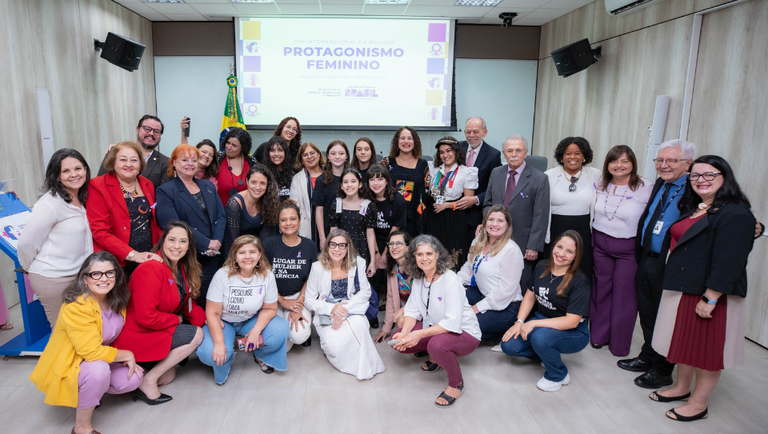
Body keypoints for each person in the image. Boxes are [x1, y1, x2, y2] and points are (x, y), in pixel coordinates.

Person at [650, 156, 756, 422]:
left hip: (709, 294)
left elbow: (729, 262)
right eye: (695, 176)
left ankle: (698, 404)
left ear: (724, 177)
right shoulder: (698, 207)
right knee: (685, 345)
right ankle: (681, 388)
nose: (701, 180)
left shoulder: (735, 213)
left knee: (707, 351)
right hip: (687, 287)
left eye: (709, 175)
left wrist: (711, 298)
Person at [29, 252, 143, 434]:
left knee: (133, 378)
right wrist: (127, 355)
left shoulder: (115, 300)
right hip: (72, 364)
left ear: (117, 275)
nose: (103, 279)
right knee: (98, 370)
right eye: (96, 274)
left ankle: (91, 394)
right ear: (85, 279)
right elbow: (91, 353)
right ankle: (81, 427)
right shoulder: (77, 307)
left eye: (109, 273)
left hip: (96, 359)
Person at [617, 140, 695, 389]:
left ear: (688, 163)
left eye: (671, 160)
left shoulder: (696, 187)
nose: (663, 165)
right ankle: (649, 356)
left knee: (667, 319)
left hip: (671, 264)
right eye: (659, 160)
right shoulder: (661, 184)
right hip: (647, 258)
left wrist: (756, 227)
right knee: (648, 313)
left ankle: (662, 370)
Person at [112, 221, 205, 405]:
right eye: (172, 240)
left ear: (189, 246)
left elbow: (188, 305)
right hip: (139, 333)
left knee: (168, 376)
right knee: (197, 335)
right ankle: (148, 381)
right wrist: (177, 319)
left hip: (156, 328)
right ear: (163, 241)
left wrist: (212, 318)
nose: (176, 246)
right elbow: (146, 317)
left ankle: (138, 377)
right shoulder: (151, 267)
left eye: (182, 241)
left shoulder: (180, 267)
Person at [391, 235, 481, 408]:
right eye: (419, 254)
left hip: (465, 333)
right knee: (398, 337)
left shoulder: (451, 280)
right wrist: (404, 334)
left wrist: (418, 334)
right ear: (414, 257)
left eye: (429, 253)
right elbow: (412, 311)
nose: (424, 258)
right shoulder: (419, 279)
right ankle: (435, 357)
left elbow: (452, 322)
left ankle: (456, 384)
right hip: (436, 328)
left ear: (438, 254)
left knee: (436, 344)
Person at [500, 230, 591, 392]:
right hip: (543, 321)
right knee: (509, 345)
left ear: (576, 256)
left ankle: (558, 375)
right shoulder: (542, 266)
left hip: (574, 331)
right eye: (559, 247)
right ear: (553, 246)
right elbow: (530, 295)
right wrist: (519, 322)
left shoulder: (579, 281)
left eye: (569, 251)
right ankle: (547, 355)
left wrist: (533, 323)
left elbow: (572, 321)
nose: (562, 254)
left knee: (541, 338)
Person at [196, 235, 290, 382]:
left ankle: (259, 354)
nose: (247, 256)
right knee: (209, 353)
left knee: (280, 330)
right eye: (241, 252)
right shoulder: (222, 275)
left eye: (252, 252)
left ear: (259, 255)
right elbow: (212, 312)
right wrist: (220, 344)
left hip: (250, 319)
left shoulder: (267, 276)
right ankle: (229, 357)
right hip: (224, 322)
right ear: (234, 256)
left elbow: (270, 308)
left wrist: (255, 331)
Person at [590, 145, 654, 356]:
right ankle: (598, 336)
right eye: (614, 161)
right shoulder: (600, 185)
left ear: (633, 164)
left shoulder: (646, 186)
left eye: (625, 161)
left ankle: (619, 344)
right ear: (607, 165)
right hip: (600, 244)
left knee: (625, 295)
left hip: (628, 248)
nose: (619, 165)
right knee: (601, 290)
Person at [18, 149, 94, 326]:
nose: (74, 175)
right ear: (57, 176)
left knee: (80, 330)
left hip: (79, 276)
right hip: (53, 278)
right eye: (65, 171)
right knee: (62, 332)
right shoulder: (49, 204)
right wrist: (34, 269)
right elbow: (26, 243)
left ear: (85, 170)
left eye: (78, 168)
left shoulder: (84, 198)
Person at [304, 229, 386, 380]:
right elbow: (309, 300)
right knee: (334, 347)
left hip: (352, 308)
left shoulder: (358, 263)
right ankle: (340, 356)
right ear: (327, 246)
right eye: (333, 244)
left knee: (360, 325)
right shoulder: (317, 267)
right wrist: (332, 309)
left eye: (342, 245)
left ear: (348, 247)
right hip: (326, 312)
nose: (337, 249)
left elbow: (365, 293)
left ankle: (366, 369)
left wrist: (343, 310)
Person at [156, 144, 226, 307]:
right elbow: (173, 225)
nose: (190, 163)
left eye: (194, 160)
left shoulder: (207, 186)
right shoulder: (166, 190)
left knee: (212, 296)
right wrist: (206, 243)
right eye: (184, 160)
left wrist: (216, 242)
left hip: (212, 255)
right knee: (192, 300)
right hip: (186, 257)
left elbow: (221, 216)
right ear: (174, 162)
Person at [87, 142, 163, 277]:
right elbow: (100, 231)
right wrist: (133, 255)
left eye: (134, 160)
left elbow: (153, 222)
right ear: (113, 162)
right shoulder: (98, 185)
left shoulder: (147, 184)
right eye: (123, 159)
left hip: (147, 258)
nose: (129, 164)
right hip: (116, 261)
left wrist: (157, 252)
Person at [484, 135, 550, 287]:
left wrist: (533, 246)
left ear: (525, 153)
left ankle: (518, 311)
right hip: (495, 238)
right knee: (494, 278)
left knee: (520, 282)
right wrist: (488, 224)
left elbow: (541, 216)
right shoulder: (496, 173)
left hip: (523, 241)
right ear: (504, 153)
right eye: (510, 151)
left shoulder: (539, 179)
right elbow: (487, 204)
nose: (514, 155)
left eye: (518, 150)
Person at [458, 205, 524, 345]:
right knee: (451, 300)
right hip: (482, 293)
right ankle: (489, 334)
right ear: (485, 222)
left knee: (464, 323)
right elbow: (469, 267)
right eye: (491, 219)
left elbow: (505, 291)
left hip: (506, 307)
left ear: (507, 225)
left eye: (500, 221)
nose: (494, 224)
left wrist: (476, 308)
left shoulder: (511, 250)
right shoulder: (478, 241)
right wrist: (455, 284)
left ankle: (498, 333)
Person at [262, 202, 319, 350]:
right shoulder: (269, 244)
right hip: (272, 298)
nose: (288, 223)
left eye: (293, 219)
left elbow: (312, 277)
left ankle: (293, 331)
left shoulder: (309, 245)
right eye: (283, 220)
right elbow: (262, 276)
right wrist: (281, 300)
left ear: (299, 221)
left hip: (298, 297)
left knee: (298, 336)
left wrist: (298, 303)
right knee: (277, 340)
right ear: (278, 223)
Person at [544, 136, 600, 282]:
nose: (572, 157)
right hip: (556, 229)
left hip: (583, 231)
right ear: (561, 156)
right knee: (555, 269)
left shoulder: (595, 175)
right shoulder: (549, 176)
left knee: (581, 271)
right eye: (568, 153)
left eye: (577, 153)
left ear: (584, 156)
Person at [329, 168, 380, 326]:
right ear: (341, 185)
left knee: (362, 282)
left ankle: (370, 312)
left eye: (353, 181)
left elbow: (370, 234)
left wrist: (372, 260)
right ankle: (344, 312)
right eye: (345, 182)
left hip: (361, 248)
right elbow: (332, 231)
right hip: (340, 248)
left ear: (359, 184)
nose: (349, 185)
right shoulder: (337, 203)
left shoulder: (367, 205)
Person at [424, 136, 478, 267]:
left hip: (454, 217)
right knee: (433, 253)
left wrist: (447, 206)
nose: (445, 155)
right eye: (442, 152)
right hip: (434, 216)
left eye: (449, 151)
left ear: (456, 152)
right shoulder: (433, 169)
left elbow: (468, 202)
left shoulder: (467, 172)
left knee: (453, 256)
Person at [367, 164, 406, 310]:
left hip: (393, 237)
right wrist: (376, 253)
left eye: (380, 179)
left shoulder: (397, 199)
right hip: (373, 237)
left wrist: (385, 252)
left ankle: (392, 305)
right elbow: (369, 230)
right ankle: (373, 306)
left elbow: (396, 227)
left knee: (390, 268)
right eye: (372, 180)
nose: (376, 183)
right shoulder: (367, 199)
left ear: (387, 181)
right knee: (374, 269)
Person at [97, 115, 171, 189]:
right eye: (147, 129)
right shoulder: (116, 152)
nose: (151, 133)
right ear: (137, 129)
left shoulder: (166, 163)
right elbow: (99, 183)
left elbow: (164, 194)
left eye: (156, 131)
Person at [459, 117, 502, 242]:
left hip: (476, 215)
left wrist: (475, 199)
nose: (471, 135)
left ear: (485, 132)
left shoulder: (493, 155)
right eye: (468, 132)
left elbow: (494, 187)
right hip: (454, 210)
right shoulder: (456, 148)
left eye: (476, 131)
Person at [223, 164, 280, 257]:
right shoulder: (235, 204)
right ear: (247, 181)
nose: (257, 187)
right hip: (236, 252)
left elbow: (265, 239)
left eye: (262, 183)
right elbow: (232, 241)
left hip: (255, 251)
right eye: (253, 182)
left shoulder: (269, 202)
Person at [382, 127, 429, 237]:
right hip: (390, 217)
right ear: (397, 141)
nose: (406, 141)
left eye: (410, 138)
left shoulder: (423, 164)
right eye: (402, 138)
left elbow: (426, 193)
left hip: (413, 220)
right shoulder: (387, 162)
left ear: (415, 142)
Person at [373, 231, 412, 344]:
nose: (394, 247)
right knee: (399, 325)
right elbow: (390, 298)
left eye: (399, 243)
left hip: (426, 310)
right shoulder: (393, 270)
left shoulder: (419, 266)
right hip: (409, 310)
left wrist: (402, 311)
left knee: (400, 320)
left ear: (408, 247)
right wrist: (386, 328)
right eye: (391, 243)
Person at [313, 140, 351, 245]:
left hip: (351, 229)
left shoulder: (353, 178)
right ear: (328, 156)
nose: (337, 157)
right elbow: (319, 211)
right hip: (328, 231)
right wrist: (322, 237)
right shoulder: (322, 180)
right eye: (333, 153)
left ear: (347, 156)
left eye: (341, 153)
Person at [289, 142, 325, 242]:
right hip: (307, 226)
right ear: (301, 160)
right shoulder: (297, 179)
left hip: (328, 222)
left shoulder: (328, 175)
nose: (310, 157)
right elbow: (295, 207)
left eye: (312, 153)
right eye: (305, 155)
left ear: (318, 154)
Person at [216, 127, 258, 206]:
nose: (228, 147)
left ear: (242, 148)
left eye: (234, 145)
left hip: (245, 214)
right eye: (228, 143)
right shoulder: (217, 159)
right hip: (220, 214)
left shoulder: (252, 162)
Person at [263, 136, 295, 201]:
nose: (276, 154)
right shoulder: (263, 173)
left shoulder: (292, 173)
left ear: (285, 153)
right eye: (272, 151)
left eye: (280, 150)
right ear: (268, 153)